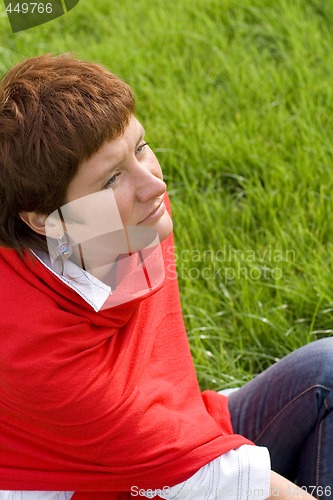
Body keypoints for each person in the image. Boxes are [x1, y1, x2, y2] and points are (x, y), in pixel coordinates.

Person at [0, 53, 331, 500]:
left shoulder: (115, 220)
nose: (154, 184)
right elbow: (214, 478)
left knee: (327, 370)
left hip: (181, 428)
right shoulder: (50, 366)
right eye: (111, 178)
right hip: (121, 484)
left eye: (139, 148)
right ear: (42, 220)